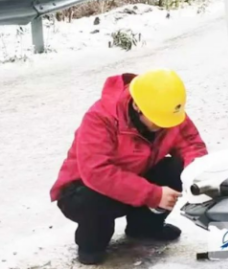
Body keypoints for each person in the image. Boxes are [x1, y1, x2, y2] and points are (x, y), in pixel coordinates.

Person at [50, 69, 207, 265]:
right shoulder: (100, 117)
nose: (165, 126)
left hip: (134, 179)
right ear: (137, 106)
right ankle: (91, 242)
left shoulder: (166, 108)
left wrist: (196, 176)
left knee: (177, 168)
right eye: (158, 121)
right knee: (92, 199)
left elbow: (191, 144)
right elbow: (97, 172)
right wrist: (153, 194)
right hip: (82, 190)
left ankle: (144, 228)